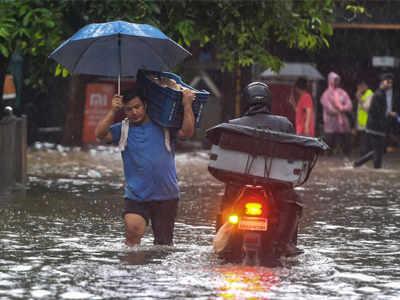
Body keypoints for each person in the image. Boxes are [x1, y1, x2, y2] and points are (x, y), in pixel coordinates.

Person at [95, 86, 195, 246]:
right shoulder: (123, 129)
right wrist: (113, 111)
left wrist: (187, 105)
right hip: (137, 195)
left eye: (137, 107)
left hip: (166, 194)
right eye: (128, 110)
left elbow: (187, 133)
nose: (134, 112)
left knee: (163, 246)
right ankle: (132, 270)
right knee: (133, 233)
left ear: (145, 105)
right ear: (124, 111)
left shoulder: (163, 125)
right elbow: (99, 134)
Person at [221, 82, 302, 257]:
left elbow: (226, 159)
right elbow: (293, 156)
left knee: (226, 199)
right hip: (276, 185)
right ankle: (284, 243)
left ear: (245, 101)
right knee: (294, 199)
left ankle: (225, 242)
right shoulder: (284, 124)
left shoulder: (233, 125)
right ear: (268, 101)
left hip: (240, 184)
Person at [353, 73, 398, 169]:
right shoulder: (378, 94)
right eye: (388, 82)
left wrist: (388, 114)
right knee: (378, 150)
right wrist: (385, 117)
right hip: (375, 127)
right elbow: (375, 111)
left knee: (379, 150)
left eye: (391, 83)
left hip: (377, 127)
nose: (390, 85)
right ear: (382, 82)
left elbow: (379, 110)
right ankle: (366, 165)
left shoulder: (382, 94)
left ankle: (359, 164)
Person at [320, 72, 353, 158]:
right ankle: (328, 157)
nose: (336, 82)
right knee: (329, 141)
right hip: (330, 122)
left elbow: (349, 104)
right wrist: (338, 110)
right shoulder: (326, 94)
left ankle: (345, 155)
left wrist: (342, 108)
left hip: (343, 122)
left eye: (337, 80)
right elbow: (328, 108)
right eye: (335, 80)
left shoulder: (342, 92)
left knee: (345, 139)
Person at [355, 81, 374, 156]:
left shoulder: (369, 94)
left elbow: (367, 108)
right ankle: (364, 155)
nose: (358, 90)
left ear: (365, 86)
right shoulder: (363, 95)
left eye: (360, 88)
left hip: (368, 122)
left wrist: (359, 98)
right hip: (362, 122)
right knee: (363, 140)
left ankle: (365, 155)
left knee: (366, 140)